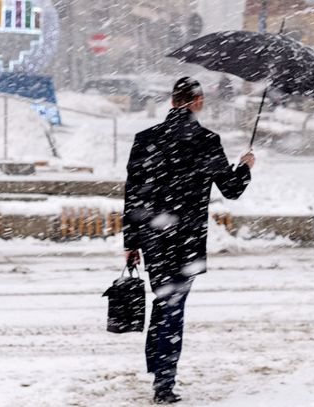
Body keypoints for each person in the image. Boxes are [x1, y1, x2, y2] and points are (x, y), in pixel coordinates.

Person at [123, 77, 255, 404]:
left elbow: (133, 195)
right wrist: (245, 167)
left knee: (163, 300)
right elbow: (232, 190)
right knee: (173, 307)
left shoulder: (146, 139)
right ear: (196, 102)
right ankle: (164, 383)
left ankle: (157, 368)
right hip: (187, 242)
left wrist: (131, 242)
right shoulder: (206, 140)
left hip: (154, 238)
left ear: (172, 102)